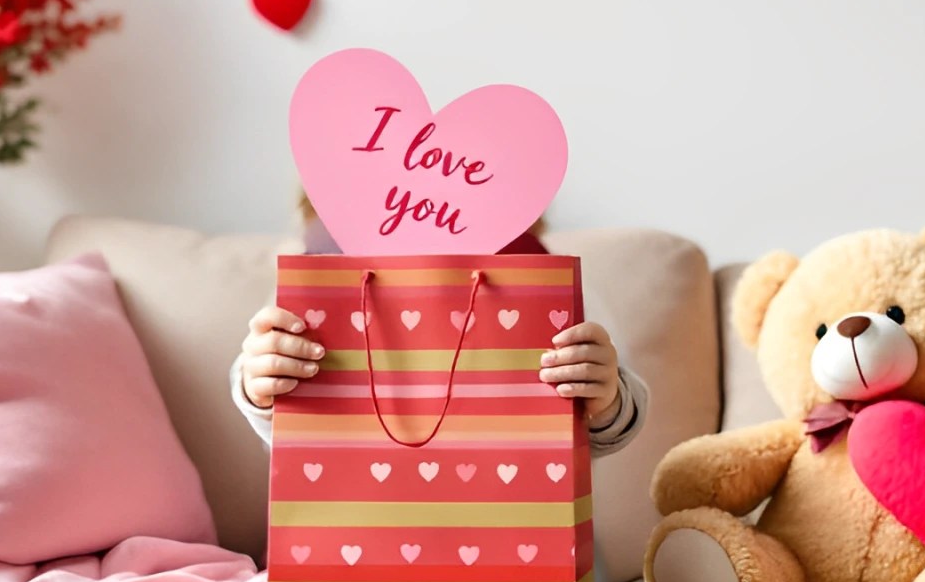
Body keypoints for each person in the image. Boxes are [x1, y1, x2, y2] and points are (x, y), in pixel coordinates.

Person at [230, 194, 649, 456]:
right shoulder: (314, 280)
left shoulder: (546, 284)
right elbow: (271, 382)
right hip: (342, 542)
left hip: (517, 544)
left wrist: (606, 398)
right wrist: (258, 386)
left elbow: (615, 390)